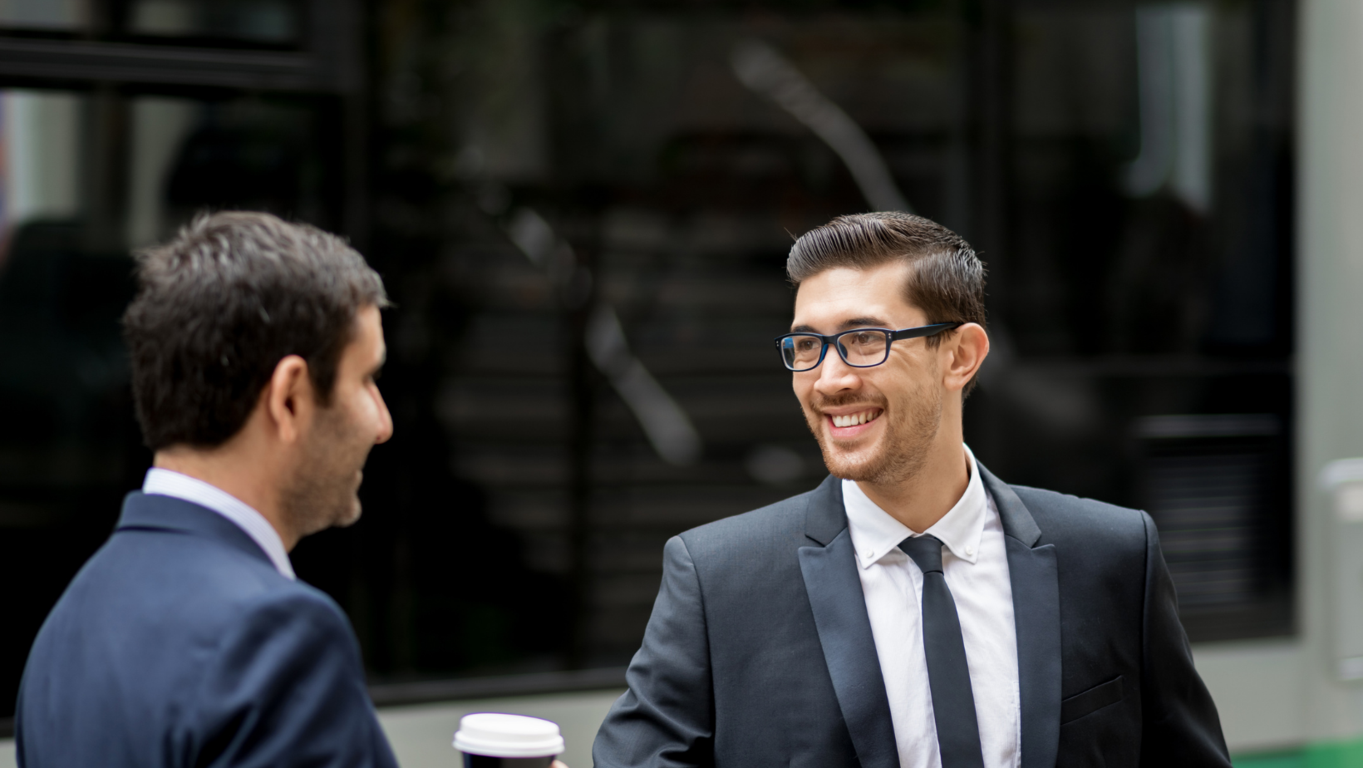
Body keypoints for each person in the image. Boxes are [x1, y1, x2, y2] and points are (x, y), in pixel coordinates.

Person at [593, 212, 1231, 768]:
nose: (828, 379)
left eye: (864, 340)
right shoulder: (717, 579)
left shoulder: (1115, 556)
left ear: (960, 356)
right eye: (808, 345)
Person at [15, 212, 399, 767]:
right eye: (366, 380)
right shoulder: (280, 639)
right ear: (289, 397)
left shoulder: (67, 625)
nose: (381, 423)